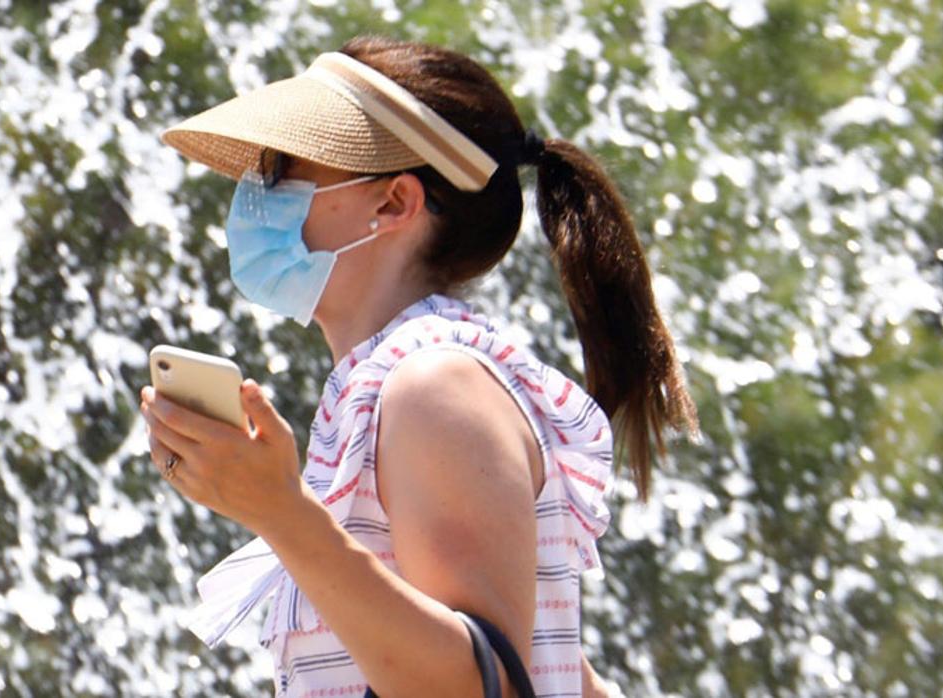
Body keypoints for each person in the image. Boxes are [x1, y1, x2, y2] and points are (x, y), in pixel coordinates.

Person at [139, 36, 697, 697]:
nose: (256, 195)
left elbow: (478, 685)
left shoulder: (432, 382)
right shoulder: (401, 383)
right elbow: (543, 672)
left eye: (285, 170)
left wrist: (282, 512)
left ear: (394, 204)